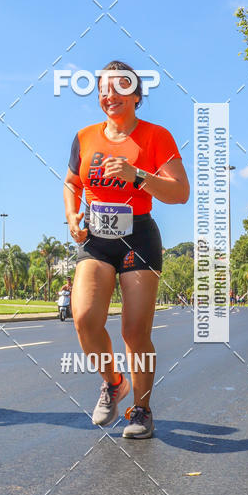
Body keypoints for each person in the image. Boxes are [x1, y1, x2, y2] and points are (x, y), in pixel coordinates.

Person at [63, 60, 189, 438]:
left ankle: (141, 411)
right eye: (104, 89)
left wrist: (138, 176)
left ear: (136, 95)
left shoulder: (156, 136)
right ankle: (114, 382)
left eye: (120, 88)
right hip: (97, 239)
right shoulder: (84, 137)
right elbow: (71, 183)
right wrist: (71, 216)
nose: (110, 95)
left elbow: (179, 192)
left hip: (138, 237)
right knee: (85, 319)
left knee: (134, 332)